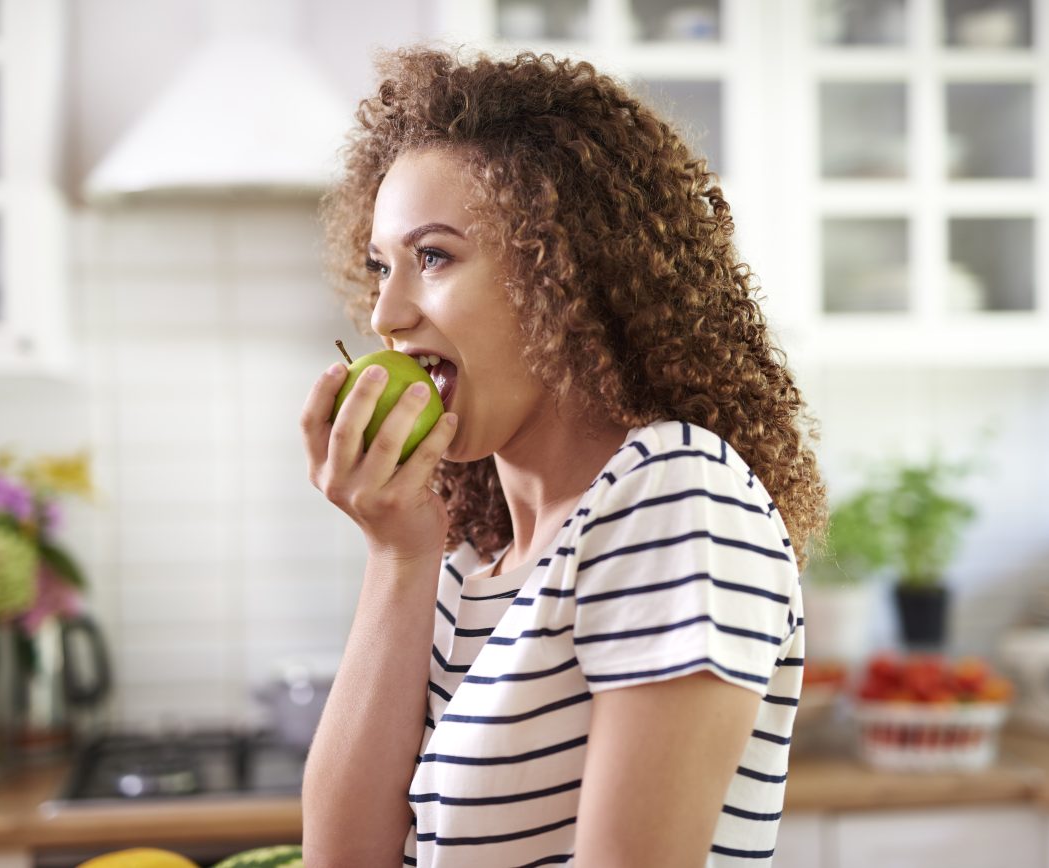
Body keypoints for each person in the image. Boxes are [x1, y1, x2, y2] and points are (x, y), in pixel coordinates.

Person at [299, 46, 827, 868]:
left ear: (563, 272)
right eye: (379, 268)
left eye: (433, 257)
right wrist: (396, 554)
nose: (386, 314)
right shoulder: (471, 563)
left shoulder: (675, 496)